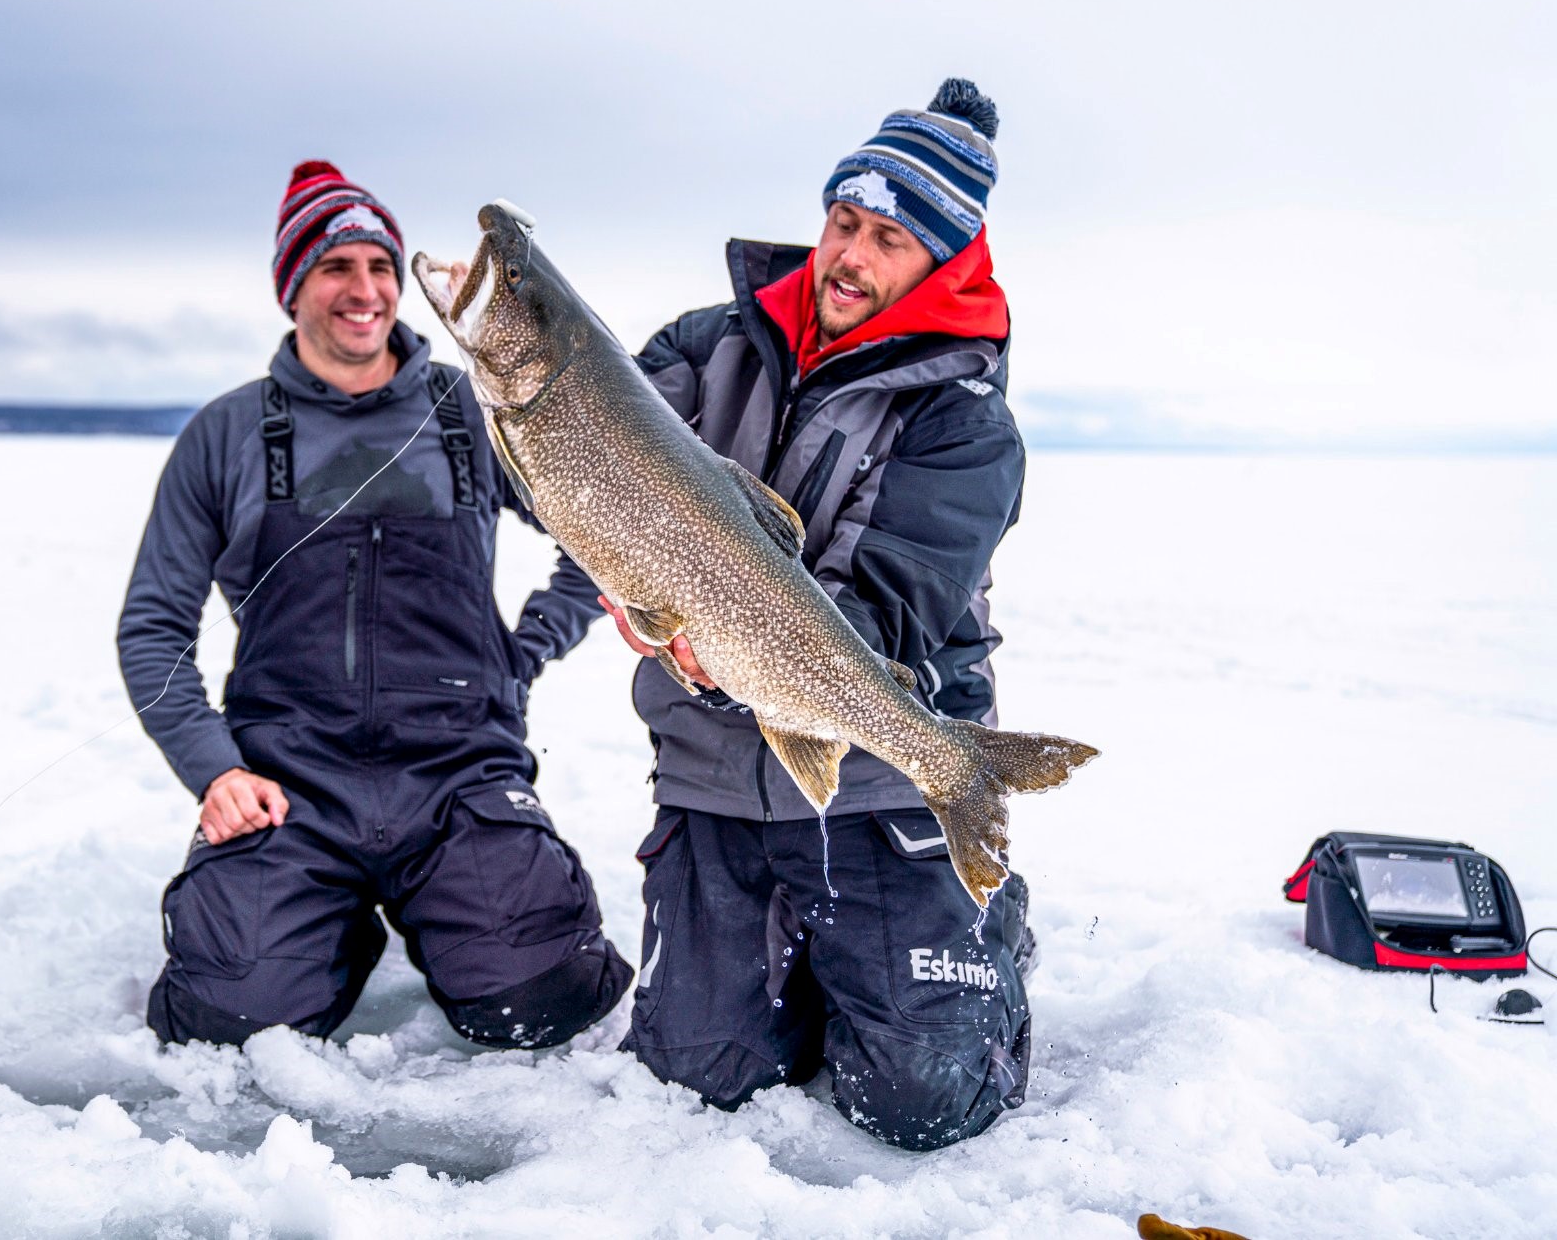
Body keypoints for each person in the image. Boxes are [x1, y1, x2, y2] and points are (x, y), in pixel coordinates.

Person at [120, 161, 631, 1051]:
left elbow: (604, 538)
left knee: (544, 997)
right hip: (291, 785)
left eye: (381, 268)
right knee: (227, 1021)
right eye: (336, 268)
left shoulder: (474, 415)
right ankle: (325, 920)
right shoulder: (229, 433)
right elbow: (153, 628)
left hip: (459, 774)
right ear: (293, 288)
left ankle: (434, 909)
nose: (366, 291)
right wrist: (216, 771)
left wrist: (527, 652)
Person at [610, 80, 1034, 1150]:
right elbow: (575, 466)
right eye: (842, 221)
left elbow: (880, 613)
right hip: (711, 768)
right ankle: (797, 971)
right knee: (697, 1081)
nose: (846, 254)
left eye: (885, 237)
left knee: (917, 1100)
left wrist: (724, 643)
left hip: (876, 777)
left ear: (940, 258)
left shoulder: (965, 426)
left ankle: (984, 926)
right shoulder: (706, 346)